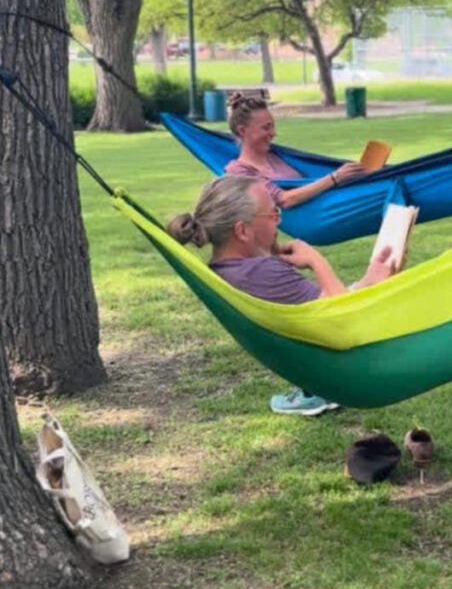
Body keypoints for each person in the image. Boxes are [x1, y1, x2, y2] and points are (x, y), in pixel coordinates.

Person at [167, 174, 397, 416]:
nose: (279, 219)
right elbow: (344, 318)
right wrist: (316, 261)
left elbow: (322, 302)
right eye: (272, 213)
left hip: (313, 351)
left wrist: (368, 281)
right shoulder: (262, 272)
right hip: (348, 362)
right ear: (242, 231)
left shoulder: (226, 270)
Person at [224, 92, 365, 209]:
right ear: (242, 131)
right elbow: (283, 200)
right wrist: (335, 178)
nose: (273, 133)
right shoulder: (239, 170)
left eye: (273, 127)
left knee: (385, 185)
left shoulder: (279, 156)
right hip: (313, 217)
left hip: (327, 202)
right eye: (266, 128)